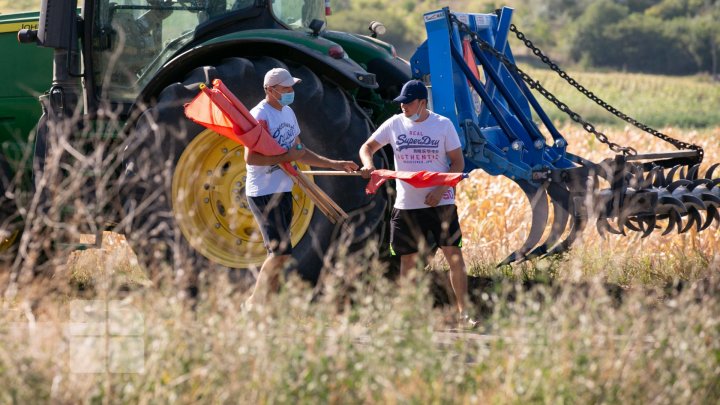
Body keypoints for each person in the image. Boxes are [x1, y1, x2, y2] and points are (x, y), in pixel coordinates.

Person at [358, 79, 476, 327]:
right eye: (401, 103)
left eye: (408, 103)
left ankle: (464, 312)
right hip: (407, 205)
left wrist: (441, 189)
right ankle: (408, 314)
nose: (403, 107)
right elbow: (367, 147)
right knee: (408, 260)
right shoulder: (394, 124)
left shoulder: (443, 126)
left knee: (454, 256)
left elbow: (457, 164)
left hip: (440, 203)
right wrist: (369, 164)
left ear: (423, 103)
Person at [244, 67, 358, 306]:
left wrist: (335, 164)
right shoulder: (259, 115)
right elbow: (251, 158)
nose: (290, 91)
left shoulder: (287, 113)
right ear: (270, 90)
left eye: (291, 87)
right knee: (280, 253)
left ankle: (266, 305)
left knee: (281, 255)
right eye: (285, 88)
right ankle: (253, 303)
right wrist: (283, 158)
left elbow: (300, 152)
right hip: (263, 192)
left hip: (284, 189)